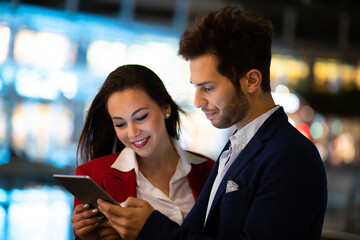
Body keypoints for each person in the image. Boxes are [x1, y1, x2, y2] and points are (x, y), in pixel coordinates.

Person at [97, 6, 328, 240]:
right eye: (196, 87)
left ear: (252, 80)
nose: (197, 101)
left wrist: (150, 229)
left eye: (208, 88)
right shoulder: (237, 147)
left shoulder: (291, 156)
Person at [71, 64, 214, 240]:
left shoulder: (210, 170)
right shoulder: (93, 175)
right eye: (120, 124)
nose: (132, 133)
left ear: (165, 108)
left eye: (140, 117)